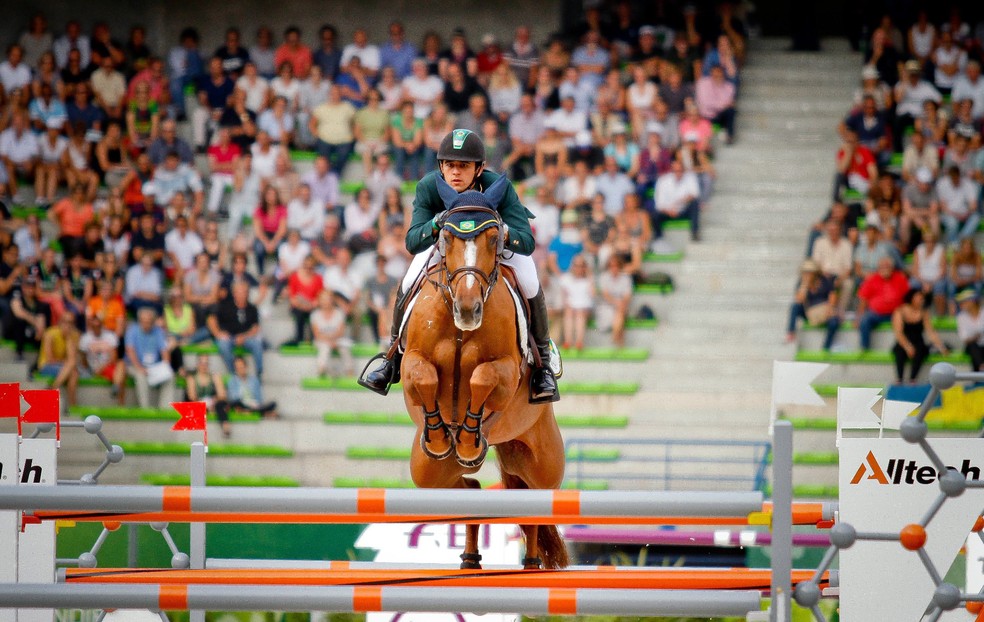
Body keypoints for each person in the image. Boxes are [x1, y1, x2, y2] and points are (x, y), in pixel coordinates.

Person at [360, 128, 559, 402]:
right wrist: (434, 224)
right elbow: (412, 242)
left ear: (479, 169)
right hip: (447, 247)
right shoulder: (429, 186)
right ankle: (392, 357)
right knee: (409, 279)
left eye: (463, 166)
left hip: (491, 248)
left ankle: (542, 364)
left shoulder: (498, 187)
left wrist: (501, 232)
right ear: (441, 165)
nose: (455, 172)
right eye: (449, 165)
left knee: (529, 278)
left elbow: (526, 242)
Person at [891, 289, 948, 384]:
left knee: (920, 350)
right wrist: (907, 346)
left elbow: (930, 332)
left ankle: (913, 379)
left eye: (922, 299)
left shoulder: (924, 313)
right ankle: (899, 379)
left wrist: (941, 346)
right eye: (919, 298)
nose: (921, 300)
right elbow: (898, 333)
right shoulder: (900, 311)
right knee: (899, 350)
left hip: (918, 341)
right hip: (904, 341)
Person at [209, 280, 264, 377]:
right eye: (239, 292)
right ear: (234, 293)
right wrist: (217, 333)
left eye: (244, 292)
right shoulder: (225, 306)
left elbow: (255, 328)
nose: (242, 295)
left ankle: (259, 373)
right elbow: (211, 319)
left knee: (257, 344)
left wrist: (243, 337)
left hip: (246, 337)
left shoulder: (252, 308)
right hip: (229, 337)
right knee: (223, 345)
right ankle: (234, 373)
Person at [124, 307, 174, 409]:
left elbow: (164, 351)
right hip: (134, 365)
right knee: (141, 377)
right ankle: (145, 408)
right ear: (139, 321)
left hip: (153, 366)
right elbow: (130, 351)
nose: (146, 325)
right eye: (144, 322)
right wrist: (140, 368)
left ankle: (165, 409)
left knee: (170, 376)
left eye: (149, 322)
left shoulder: (158, 331)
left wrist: (165, 366)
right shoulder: (132, 330)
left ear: (153, 322)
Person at [857, 256, 911, 351]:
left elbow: (908, 298)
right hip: (876, 313)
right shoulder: (872, 279)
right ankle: (864, 348)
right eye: (882, 267)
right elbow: (863, 299)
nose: (885, 269)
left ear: (892, 268)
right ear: (878, 268)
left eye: (887, 267)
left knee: (909, 321)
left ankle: (903, 348)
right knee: (864, 320)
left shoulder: (900, 278)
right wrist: (859, 316)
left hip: (895, 313)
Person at [786, 259, 841, 350]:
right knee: (794, 306)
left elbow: (832, 295)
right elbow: (799, 300)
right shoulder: (801, 283)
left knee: (834, 322)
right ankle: (790, 332)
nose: (807, 274)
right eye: (805, 272)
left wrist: (830, 308)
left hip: (824, 310)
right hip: (809, 312)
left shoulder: (824, 281)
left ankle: (826, 347)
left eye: (809, 272)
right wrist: (804, 285)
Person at [78, 314, 125, 404]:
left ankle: (116, 386)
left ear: (102, 325)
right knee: (121, 375)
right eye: (94, 326)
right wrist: (91, 369)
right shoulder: (85, 338)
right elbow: (83, 358)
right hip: (92, 368)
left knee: (121, 365)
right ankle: (120, 402)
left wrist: (103, 367)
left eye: (98, 325)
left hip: (107, 366)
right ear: (91, 326)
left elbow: (114, 358)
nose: (96, 328)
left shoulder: (110, 336)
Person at [36, 311, 80, 406]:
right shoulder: (50, 333)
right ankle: (72, 404)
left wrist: (68, 339)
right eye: (65, 322)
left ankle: (53, 388)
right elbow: (50, 359)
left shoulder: (74, 335)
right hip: (46, 366)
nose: (68, 325)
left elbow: (72, 358)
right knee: (73, 371)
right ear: (60, 322)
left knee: (74, 373)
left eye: (71, 322)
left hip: (65, 367)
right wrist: (67, 363)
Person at [186, 355, 232, 437]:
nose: (204, 366)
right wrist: (205, 404)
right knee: (194, 406)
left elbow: (222, 395)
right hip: (199, 404)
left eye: (206, 363)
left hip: (213, 404)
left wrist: (212, 402)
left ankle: (226, 427)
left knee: (220, 404)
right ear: (197, 364)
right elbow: (192, 396)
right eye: (202, 363)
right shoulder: (192, 378)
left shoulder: (214, 377)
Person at [311, 289, 353, 377]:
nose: (326, 302)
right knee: (325, 347)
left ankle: (349, 371)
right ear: (319, 301)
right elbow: (317, 334)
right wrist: (329, 341)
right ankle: (322, 370)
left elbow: (341, 332)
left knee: (344, 348)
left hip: (338, 339)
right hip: (321, 340)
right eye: (323, 300)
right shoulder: (315, 315)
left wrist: (333, 340)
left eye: (328, 299)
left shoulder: (339, 313)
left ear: (332, 300)